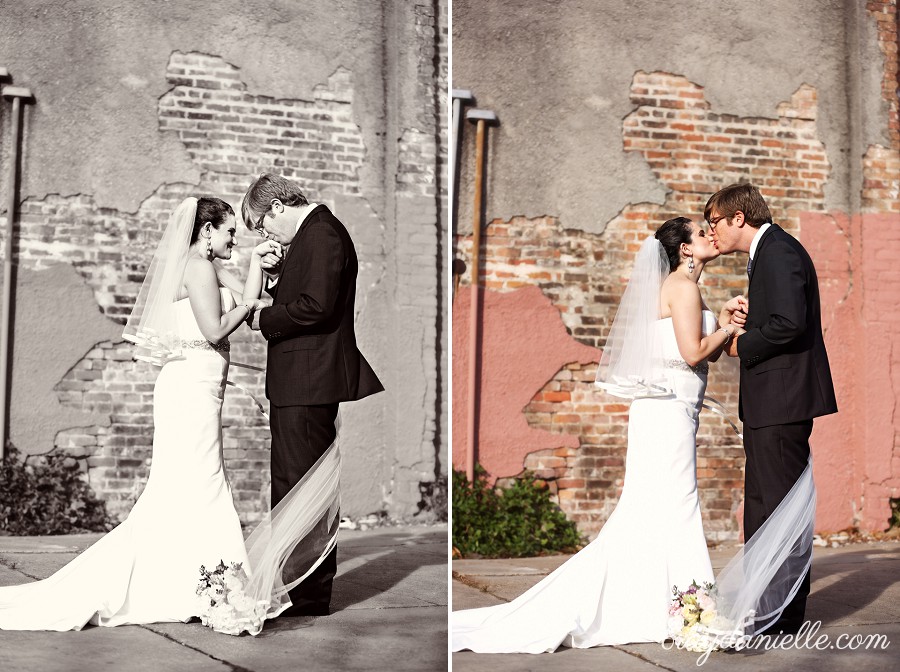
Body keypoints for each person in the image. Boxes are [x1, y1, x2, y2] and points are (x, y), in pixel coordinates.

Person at [452, 217, 746, 653]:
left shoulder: (678, 287)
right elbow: (691, 354)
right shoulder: (683, 287)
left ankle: (662, 608)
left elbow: (698, 356)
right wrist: (726, 329)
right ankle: (695, 617)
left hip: (669, 411)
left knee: (652, 511)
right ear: (684, 249)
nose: (709, 235)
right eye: (700, 233)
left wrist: (718, 323)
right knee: (680, 506)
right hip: (667, 413)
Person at [0, 196, 290, 632]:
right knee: (205, 481)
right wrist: (253, 306)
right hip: (191, 387)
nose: (236, 238)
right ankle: (220, 590)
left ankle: (200, 585)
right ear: (206, 231)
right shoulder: (197, 267)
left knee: (189, 486)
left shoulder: (208, 267)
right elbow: (215, 329)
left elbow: (244, 301)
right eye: (230, 231)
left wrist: (256, 271)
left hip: (199, 387)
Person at [240, 174, 384, 617]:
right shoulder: (313, 237)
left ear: (277, 207)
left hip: (308, 378)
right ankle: (297, 586)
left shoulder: (322, 234)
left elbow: (317, 307)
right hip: (299, 379)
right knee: (293, 487)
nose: (266, 235)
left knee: (301, 488)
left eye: (263, 225)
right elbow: (306, 295)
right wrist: (274, 275)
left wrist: (264, 317)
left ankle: (305, 594)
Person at [705, 183, 837, 635]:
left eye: (714, 223)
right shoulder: (767, 252)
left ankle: (781, 615)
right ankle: (765, 607)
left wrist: (742, 343)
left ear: (738, 217)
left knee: (780, 509)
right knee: (763, 509)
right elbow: (778, 315)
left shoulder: (778, 251)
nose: (712, 232)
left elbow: (789, 323)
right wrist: (750, 313)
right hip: (769, 402)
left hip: (782, 400)